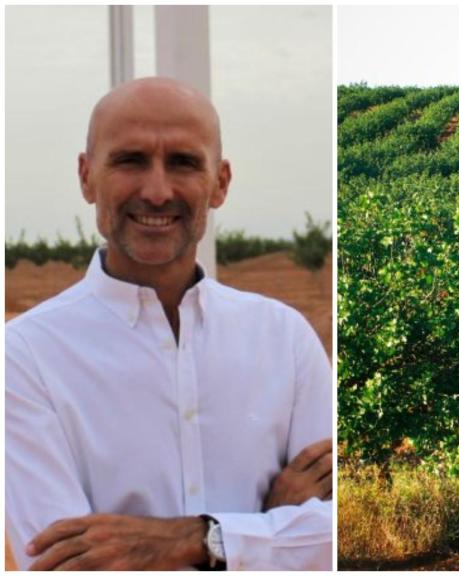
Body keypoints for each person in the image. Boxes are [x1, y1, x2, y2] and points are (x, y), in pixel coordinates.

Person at [5, 77, 333, 571]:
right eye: (130, 160)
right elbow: (62, 565)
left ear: (220, 182)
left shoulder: (284, 338)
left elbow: (336, 539)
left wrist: (198, 540)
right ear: (86, 176)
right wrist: (269, 531)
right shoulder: (23, 356)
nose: (157, 192)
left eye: (183, 162)